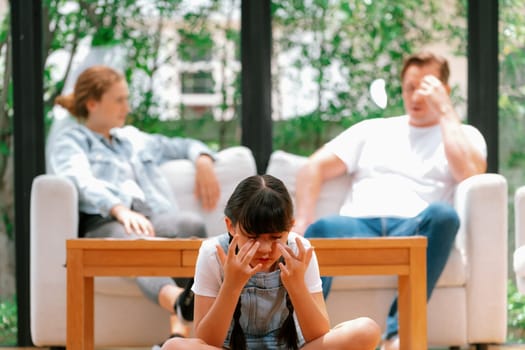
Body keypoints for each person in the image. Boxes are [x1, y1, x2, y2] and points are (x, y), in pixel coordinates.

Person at [293, 51, 487, 350]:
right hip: (359, 226)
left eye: (426, 87)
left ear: (444, 90)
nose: (416, 95)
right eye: (410, 87)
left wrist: (446, 111)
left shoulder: (461, 135)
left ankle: (396, 335)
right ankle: (305, 337)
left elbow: (472, 174)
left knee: (445, 216)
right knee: (320, 229)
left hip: (416, 227)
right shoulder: (373, 130)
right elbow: (312, 167)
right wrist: (302, 222)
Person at [49, 65, 221, 341]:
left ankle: (181, 328)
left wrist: (202, 159)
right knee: (138, 239)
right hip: (105, 220)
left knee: (190, 225)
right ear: (92, 103)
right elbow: (79, 179)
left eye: (126, 99)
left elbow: (181, 145)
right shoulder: (72, 140)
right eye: (119, 100)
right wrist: (118, 209)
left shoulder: (133, 139)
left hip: (150, 216)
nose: (126, 107)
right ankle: (180, 303)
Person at [162, 174, 381, 350]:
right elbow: (207, 341)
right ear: (230, 226)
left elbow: (318, 335)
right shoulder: (213, 253)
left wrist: (297, 286)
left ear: (291, 226)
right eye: (253, 237)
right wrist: (232, 284)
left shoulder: (299, 250)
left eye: (276, 237)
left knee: (366, 330)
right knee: (174, 347)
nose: (265, 249)